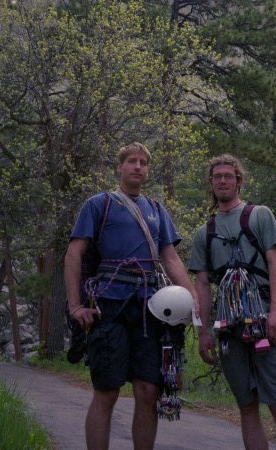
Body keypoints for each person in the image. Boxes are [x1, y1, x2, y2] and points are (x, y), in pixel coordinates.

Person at [64, 141, 198, 450]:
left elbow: (171, 259)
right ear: (120, 167)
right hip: (108, 306)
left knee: (148, 391)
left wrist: (193, 299)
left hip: (151, 310)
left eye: (143, 162)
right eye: (132, 161)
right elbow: (73, 255)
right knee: (107, 391)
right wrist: (75, 307)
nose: (138, 166)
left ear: (148, 170)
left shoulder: (156, 209)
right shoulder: (98, 204)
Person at [189, 153, 276, 450]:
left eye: (228, 176)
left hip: (265, 321)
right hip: (228, 328)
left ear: (238, 180)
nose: (223, 181)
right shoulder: (205, 232)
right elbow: (201, 283)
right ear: (211, 184)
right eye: (217, 177)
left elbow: (275, 261)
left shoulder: (259, 215)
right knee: (246, 405)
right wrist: (203, 333)